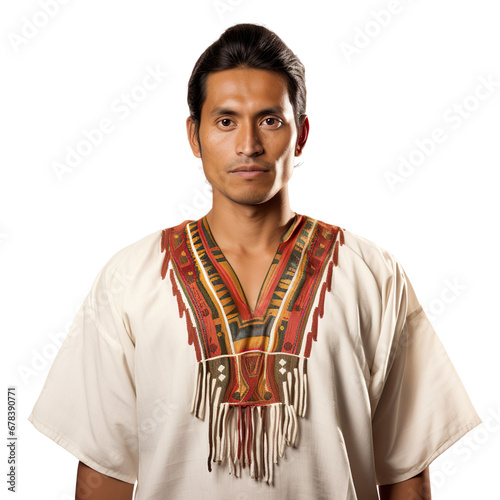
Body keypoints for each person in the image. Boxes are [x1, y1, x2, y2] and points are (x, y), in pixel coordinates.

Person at [28, 23, 481, 500]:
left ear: (300, 134)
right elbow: (104, 472)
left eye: (270, 120)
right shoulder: (130, 279)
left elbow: (405, 472)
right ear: (194, 135)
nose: (248, 145)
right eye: (225, 121)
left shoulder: (372, 275)